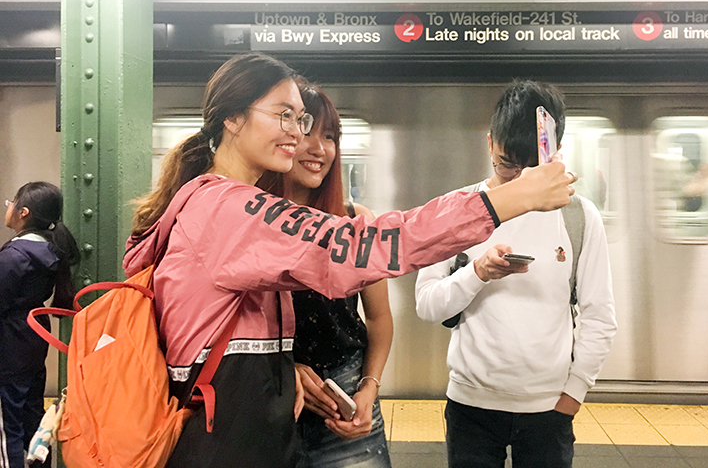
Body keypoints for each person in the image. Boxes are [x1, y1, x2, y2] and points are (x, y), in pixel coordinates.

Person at [122, 52, 577, 468]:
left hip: (230, 432)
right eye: (284, 115)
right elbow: (360, 248)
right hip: (223, 442)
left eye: (301, 118)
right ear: (233, 119)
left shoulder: (210, 201)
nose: (297, 134)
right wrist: (505, 201)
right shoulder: (226, 208)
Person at [415, 81, 617, 468]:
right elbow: (427, 304)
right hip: (470, 406)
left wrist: (573, 395)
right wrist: (477, 273)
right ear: (490, 143)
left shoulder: (579, 216)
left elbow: (599, 315)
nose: (521, 181)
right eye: (508, 166)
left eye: (533, 169)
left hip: (548, 411)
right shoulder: (455, 210)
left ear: (557, 153)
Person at [260, 84, 392, 468]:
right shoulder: (252, 220)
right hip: (271, 397)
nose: (320, 149)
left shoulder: (354, 220)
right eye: (306, 132)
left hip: (345, 397)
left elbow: (380, 318)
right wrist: (284, 366)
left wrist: (369, 389)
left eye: (330, 137)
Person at [0, 182, 79, 468]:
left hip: (9, 344)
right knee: (34, 419)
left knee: (9, 424)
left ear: (23, 212)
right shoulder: (50, 251)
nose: (7, 208)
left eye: (11, 203)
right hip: (33, 339)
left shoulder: (13, 257)